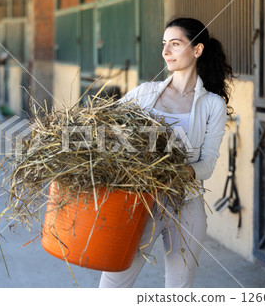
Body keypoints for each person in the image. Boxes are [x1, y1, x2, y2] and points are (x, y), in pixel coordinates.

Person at [99, 17, 234, 288]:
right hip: (140, 202)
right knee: (112, 285)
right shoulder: (144, 94)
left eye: (175, 44)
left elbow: (208, 163)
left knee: (179, 290)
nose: (166, 52)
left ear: (197, 50)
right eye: (164, 44)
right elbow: (104, 128)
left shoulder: (212, 104)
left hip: (186, 203)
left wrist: (180, 171)